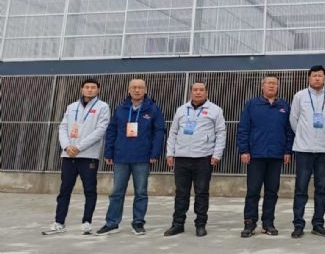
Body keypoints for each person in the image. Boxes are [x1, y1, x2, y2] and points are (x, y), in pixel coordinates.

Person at [96, 78, 166, 236]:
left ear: (145, 90)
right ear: (128, 90)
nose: (137, 90)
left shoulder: (153, 109)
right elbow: (112, 131)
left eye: (140, 87)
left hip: (142, 157)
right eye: (134, 87)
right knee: (117, 192)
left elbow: (159, 132)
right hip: (121, 156)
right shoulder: (121, 109)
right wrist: (109, 152)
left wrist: (155, 153)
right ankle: (112, 222)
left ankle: (138, 222)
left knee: (141, 192)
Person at [42, 78, 110, 235]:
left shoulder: (102, 107)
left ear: (98, 90)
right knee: (64, 190)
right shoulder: (72, 106)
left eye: (93, 87)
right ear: (81, 89)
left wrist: (79, 147)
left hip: (88, 155)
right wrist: (67, 146)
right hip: (68, 155)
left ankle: (87, 222)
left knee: (90, 190)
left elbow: (101, 130)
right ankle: (59, 222)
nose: (90, 89)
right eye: (87, 87)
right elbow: (63, 127)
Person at [164, 81, 227, 237]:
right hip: (181, 158)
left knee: (201, 193)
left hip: (203, 158)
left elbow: (221, 133)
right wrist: (170, 153)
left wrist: (217, 154)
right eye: (195, 90)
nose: (198, 92)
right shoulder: (181, 110)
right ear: (190, 92)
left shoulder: (215, 110)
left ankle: (200, 224)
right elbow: (173, 133)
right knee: (181, 193)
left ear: (206, 92)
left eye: (201, 90)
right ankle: (178, 224)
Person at [237, 74, 294, 238]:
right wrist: (244, 150)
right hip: (256, 155)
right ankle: (249, 223)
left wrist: (287, 151)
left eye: (274, 83)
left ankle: (268, 223)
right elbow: (243, 128)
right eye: (268, 83)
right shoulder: (252, 104)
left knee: (272, 191)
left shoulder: (284, 106)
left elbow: (289, 130)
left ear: (278, 86)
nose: (271, 86)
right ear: (262, 86)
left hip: (276, 155)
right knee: (253, 190)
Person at [289, 65, 325, 238]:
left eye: (320, 76)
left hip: (323, 149)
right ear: (309, 78)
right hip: (303, 149)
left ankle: (318, 224)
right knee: (301, 188)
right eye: (314, 75)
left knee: (321, 188)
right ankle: (298, 224)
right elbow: (293, 119)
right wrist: (304, 135)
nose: (317, 78)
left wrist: (324, 136)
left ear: (324, 78)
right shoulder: (300, 96)